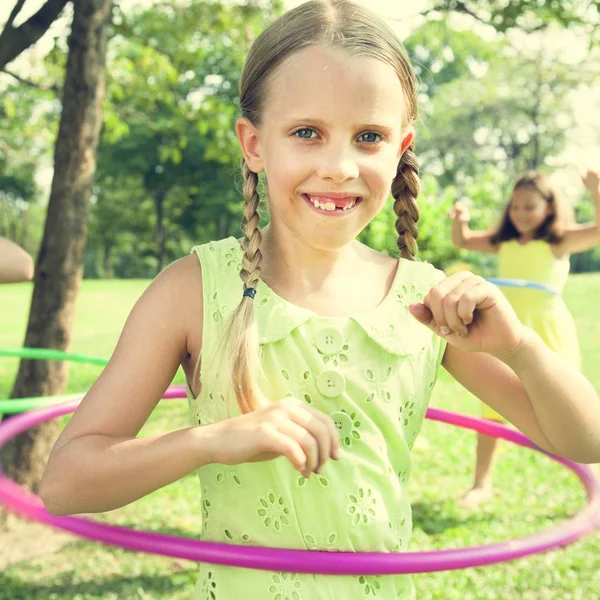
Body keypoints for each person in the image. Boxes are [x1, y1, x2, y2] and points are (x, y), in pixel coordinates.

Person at [40, 2, 600, 598]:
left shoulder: (423, 301)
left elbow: (584, 441)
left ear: (400, 148)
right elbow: (67, 483)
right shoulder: (192, 290)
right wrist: (213, 440)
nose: (338, 167)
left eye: (369, 137)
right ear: (253, 144)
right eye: (307, 133)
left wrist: (519, 348)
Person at [450, 169, 600, 508]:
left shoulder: (558, 241)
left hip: (548, 330)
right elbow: (462, 241)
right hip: (506, 329)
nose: (520, 213)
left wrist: (595, 191)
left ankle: (594, 483)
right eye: (515, 206)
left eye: (529, 207)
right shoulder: (503, 241)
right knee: (491, 407)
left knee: (568, 403)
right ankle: (481, 484)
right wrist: (460, 220)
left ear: (549, 208)